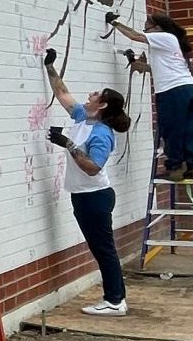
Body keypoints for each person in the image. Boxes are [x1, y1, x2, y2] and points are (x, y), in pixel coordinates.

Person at [42, 48, 132, 315]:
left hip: (95, 196)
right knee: (101, 247)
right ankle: (115, 298)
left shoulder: (101, 133)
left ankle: (115, 301)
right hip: (83, 196)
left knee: (104, 249)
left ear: (102, 105)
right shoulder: (83, 116)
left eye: (96, 95)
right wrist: (50, 67)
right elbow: (62, 94)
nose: (90, 94)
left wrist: (68, 144)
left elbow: (93, 167)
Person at [111, 11, 193, 180]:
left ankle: (176, 168)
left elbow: (134, 36)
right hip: (189, 89)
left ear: (157, 27)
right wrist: (135, 63)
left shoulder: (165, 36)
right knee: (191, 129)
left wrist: (114, 23)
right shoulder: (170, 43)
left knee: (172, 129)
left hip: (172, 92)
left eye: (148, 26)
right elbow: (156, 69)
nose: (145, 30)